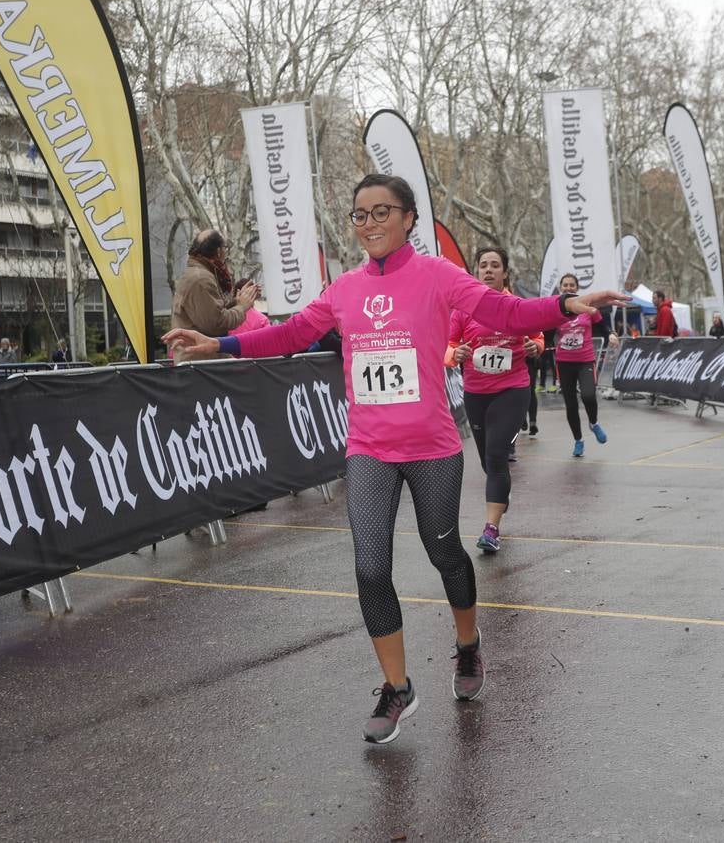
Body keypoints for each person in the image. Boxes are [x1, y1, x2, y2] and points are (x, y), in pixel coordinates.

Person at [163, 174, 629, 744]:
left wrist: (564, 305)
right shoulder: (345, 288)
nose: (370, 223)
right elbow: (291, 335)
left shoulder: (438, 276)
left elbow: (504, 313)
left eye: (382, 211)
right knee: (369, 567)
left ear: (409, 218)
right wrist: (219, 344)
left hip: (431, 447)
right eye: (359, 214)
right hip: (369, 449)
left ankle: (467, 644)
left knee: (444, 553)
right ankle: (397, 686)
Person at [445, 247, 541, 552]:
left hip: (512, 389)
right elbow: (446, 347)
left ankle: (491, 529)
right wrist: (454, 354)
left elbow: (538, 338)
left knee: (498, 454)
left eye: (494, 265)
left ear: (505, 273)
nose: (488, 270)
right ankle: (501, 494)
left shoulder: (517, 306)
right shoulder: (463, 310)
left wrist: (534, 346)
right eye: (483, 265)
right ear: (476, 272)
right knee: (489, 461)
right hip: (475, 393)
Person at [169, 229, 260, 363]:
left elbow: (210, 313)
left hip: (202, 362)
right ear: (218, 252)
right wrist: (242, 306)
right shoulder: (201, 279)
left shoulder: (199, 273)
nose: (226, 253)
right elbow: (217, 324)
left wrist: (237, 301)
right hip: (202, 365)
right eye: (225, 248)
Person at [554, 273, 617, 457]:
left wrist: (610, 334)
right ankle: (578, 441)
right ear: (560, 288)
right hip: (564, 363)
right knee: (571, 404)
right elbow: (547, 332)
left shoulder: (588, 307)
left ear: (577, 288)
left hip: (585, 360)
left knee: (589, 395)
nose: (568, 288)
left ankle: (593, 423)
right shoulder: (555, 309)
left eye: (571, 285)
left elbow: (602, 326)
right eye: (565, 285)